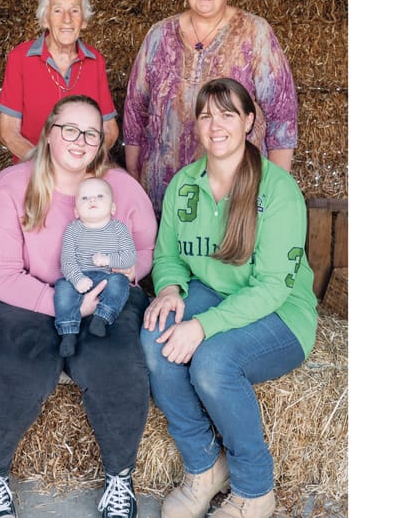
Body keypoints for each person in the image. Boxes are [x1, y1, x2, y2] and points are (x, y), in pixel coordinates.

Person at [0, 94, 157, 518]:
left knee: (117, 363)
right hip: (21, 296)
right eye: (69, 129)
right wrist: (59, 306)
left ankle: (120, 478)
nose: (80, 140)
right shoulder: (13, 185)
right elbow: (0, 274)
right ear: (49, 134)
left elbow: (144, 249)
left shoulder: (121, 188)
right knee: (21, 363)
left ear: (101, 142)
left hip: (102, 291)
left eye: (90, 132)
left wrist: (118, 278)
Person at [140, 78, 317, 518]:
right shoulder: (184, 184)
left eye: (228, 113)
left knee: (213, 362)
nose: (215, 124)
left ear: (249, 122)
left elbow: (273, 286)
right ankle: (204, 466)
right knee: (154, 337)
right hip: (211, 292)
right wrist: (168, 288)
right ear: (195, 126)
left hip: (280, 312)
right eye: (205, 115)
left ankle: (255, 490)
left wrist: (202, 326)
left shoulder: (278, 190)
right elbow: (168, 256)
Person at [124, 0, 299, 217]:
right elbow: (135, 108)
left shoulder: (254, 33)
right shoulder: (159, 35)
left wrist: (275, 187)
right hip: (163, 189)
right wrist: (133, 175)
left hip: (235, 190)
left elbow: (283, 116)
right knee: (170, 258)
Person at [0, 0, 120, 161]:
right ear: (45, 19)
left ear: (84, 21)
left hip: (83, 171)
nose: (67, 20)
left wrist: (85, 163)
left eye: (75, 11)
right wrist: (44, 166)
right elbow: (8, 131)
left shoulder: (96, 62)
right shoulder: (20, 58)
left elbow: (109, 129)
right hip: (34, 172)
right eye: (57, 11)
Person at [54, 176, 138, 357]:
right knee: (62, 287)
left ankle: (102, 317)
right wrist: (77, 279)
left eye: (100, 196)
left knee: (120, 281)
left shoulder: (119, 228)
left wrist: (108, 260)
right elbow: (67, 261)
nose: (92, 200)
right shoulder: (73, 230)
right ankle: (68, 333)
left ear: (113, 207)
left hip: (106, 277)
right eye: (85, 198)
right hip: (80, 277)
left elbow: (129, 258)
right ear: (76, 211)